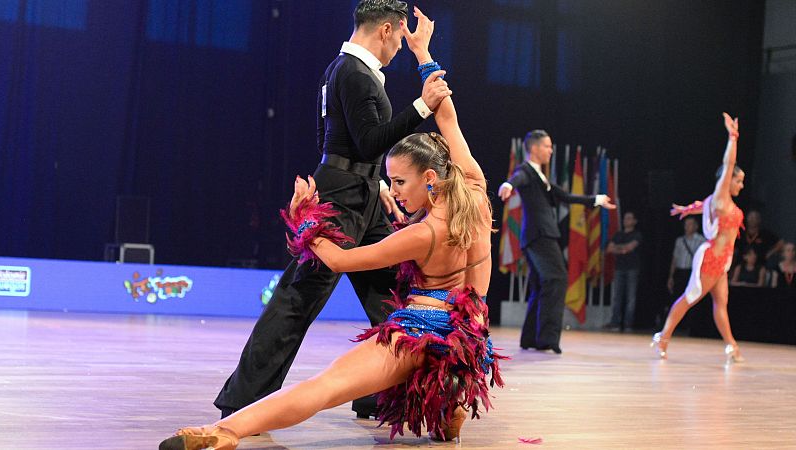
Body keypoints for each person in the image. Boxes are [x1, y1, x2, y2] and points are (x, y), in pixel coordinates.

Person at [159, 8, 503, 450]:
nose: (395, 191)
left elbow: (341, 254)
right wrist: (425, 56)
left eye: (399, 182)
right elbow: (444, 120)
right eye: (392, 182)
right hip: (467, 344)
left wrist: (306, 220)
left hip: (411, 312)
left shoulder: (420, 233)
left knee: (327, 361)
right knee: (333, 299)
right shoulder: (474, 189)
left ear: (429, 179)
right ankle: (435, 402)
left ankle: (233, 427)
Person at [213, 0, 451, 420]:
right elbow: (368, 141)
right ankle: (242, 401)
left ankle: (379, 391)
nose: (398, 47)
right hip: (341, 201)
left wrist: (375, 183)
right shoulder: (355, 74)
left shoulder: (341, 70)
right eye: (399, 37)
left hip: (355, 192)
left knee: (391, 295)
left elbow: (335, 139)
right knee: (297, 300)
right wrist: (421, 106)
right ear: (388, 29)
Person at [498, 132, 615, 353]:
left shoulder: (540, 177)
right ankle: (547, 339)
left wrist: (596, 200)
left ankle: (531, 338)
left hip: (536, 236)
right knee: (557, 278)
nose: (551, 150)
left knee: (540, 285)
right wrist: (508, 184)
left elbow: (565, 197)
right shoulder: (526, 170)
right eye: (547, 146)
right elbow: (517, 178)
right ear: (534, 149)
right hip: (540, 235)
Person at [652, 113, 746, 363]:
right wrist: (733, 137)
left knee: (720, 303)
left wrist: (686, 209)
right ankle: (663, 337)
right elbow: (728, 164)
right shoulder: (721, 197)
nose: (741, 185)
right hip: (711, 258)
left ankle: (731, 346)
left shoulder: (719, 203)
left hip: (722, 261)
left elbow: (699, 206)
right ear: (728, 181)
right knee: (689, 298)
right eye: (739, 180)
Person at [605, 211, 643, 331]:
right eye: (625, 218)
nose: (626, 220)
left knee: (630, 298)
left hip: (632, 268)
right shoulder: (618, 234)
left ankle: (628, 324)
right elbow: (610, 249)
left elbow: (628, 248)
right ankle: (615, 323)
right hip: (619, 268)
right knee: (617, 296)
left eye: (629, 218)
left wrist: (620, 248)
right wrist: (622, 249)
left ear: (634, 221)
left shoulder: (637, 234)